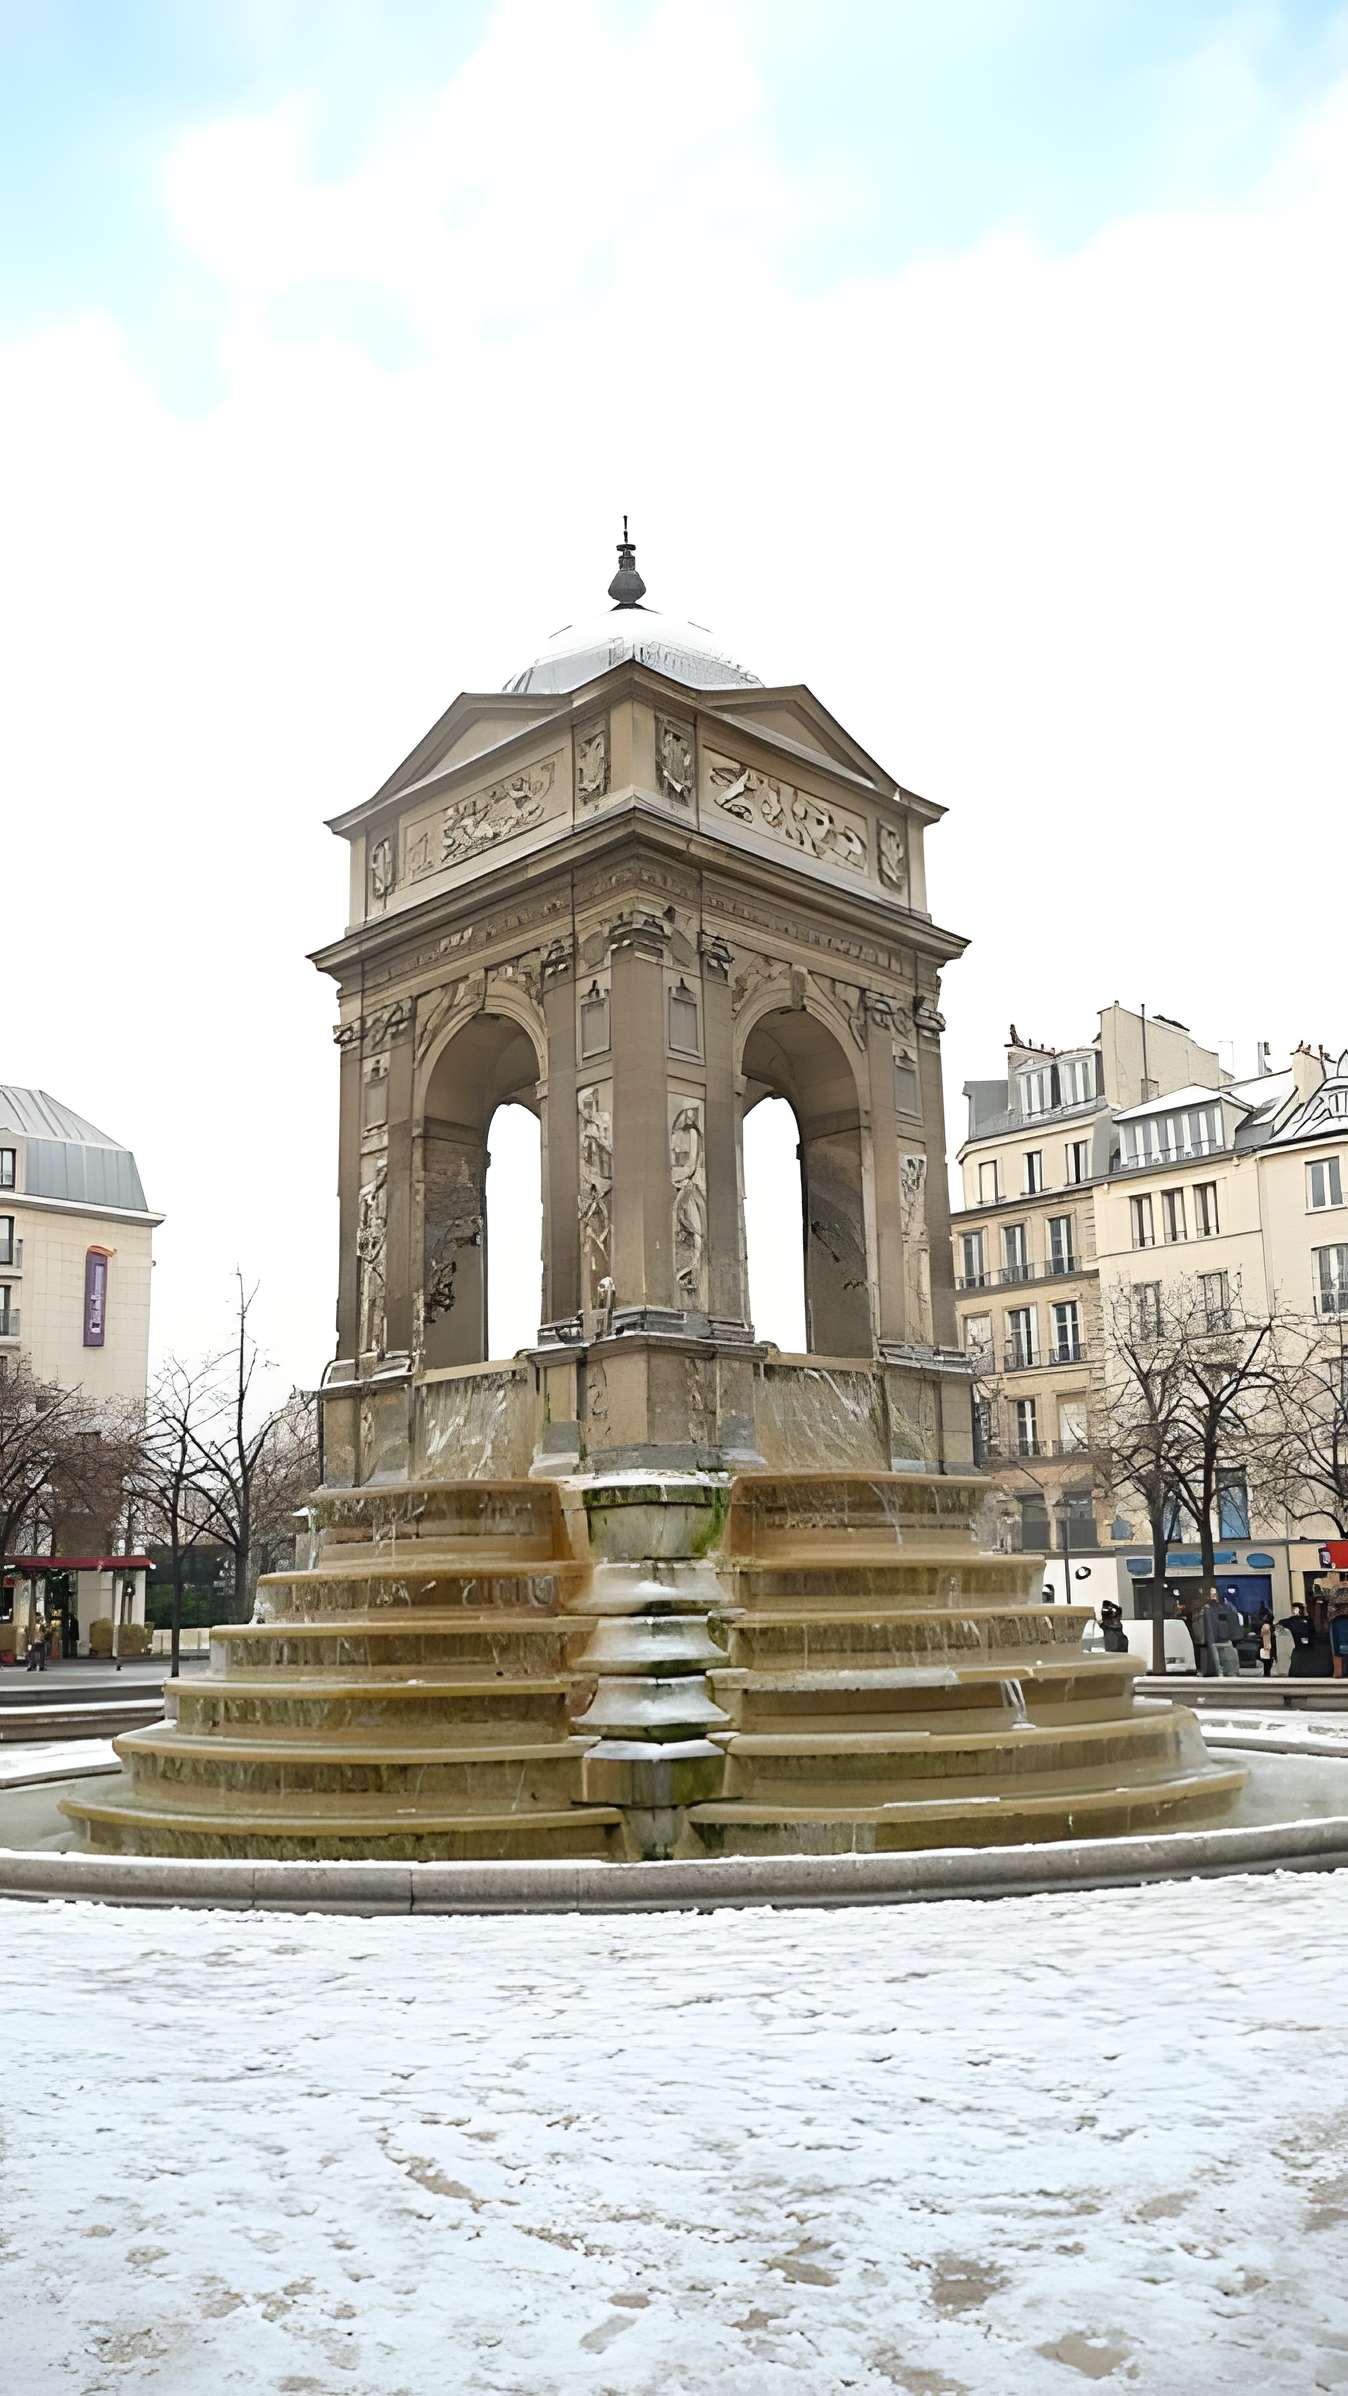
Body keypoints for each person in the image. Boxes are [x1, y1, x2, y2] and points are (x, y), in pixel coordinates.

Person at [1199, 1589, 1242, 1677]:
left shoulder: (1227, 1606)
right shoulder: (1207, 1608)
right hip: (1214, 1639)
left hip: (1223, 1638)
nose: (1213, 1597)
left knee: (1227, 1657)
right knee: (1217, 1658)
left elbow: (1233, 1620)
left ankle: (1229, 1671)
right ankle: (1220, 1671)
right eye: (1211, 1595)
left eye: (1214, 1594)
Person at [1279, 1600, 1316, 1677]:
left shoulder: (1291, 1621)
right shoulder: (1308, 1620)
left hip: (1298, 1647)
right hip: (1307, 1648)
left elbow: (1280, 1624)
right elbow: (1313, 1631)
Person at [1257, 1608, 1276, 1679]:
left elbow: (1265, 1638)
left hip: (1266, 1647)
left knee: (1266, 1664)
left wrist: (1266, 1648)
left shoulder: (1265, 1626)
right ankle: (1267, 1675)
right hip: (1270, 1647)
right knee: (1268, 1665)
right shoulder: (1271, 1626)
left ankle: (1266, 1675)